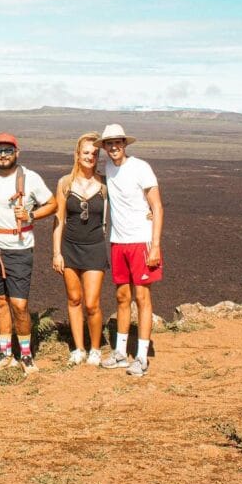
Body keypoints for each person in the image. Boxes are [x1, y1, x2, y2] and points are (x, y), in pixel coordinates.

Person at [0, 133, 57, 374]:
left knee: (19, 304)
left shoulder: (30, 178)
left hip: (19, 248)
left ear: (17, 153)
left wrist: (31, 215)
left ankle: (26, 354)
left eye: (7, 151)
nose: (2, 155)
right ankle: (5, 353)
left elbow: (52, 204)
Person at [96, 124, 164, 377]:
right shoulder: (108, 168)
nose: (114, 147)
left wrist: (155, 245)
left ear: (125, 144)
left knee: (142, 299)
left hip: (141, 241)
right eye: (109, 143)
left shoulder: (141, 167)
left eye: (118, 142)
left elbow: (156, 206)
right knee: (122, 297)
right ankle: (121, 352)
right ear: (104, 147)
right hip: (118, 241)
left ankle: (143, 357)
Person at [52, 132, 109, 366]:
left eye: (94, 153)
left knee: (92, 303)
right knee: (74, 299)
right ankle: (78, 348)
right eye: (86, 152)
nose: (90, 157)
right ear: (77, 154)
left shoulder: (105, 184)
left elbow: (128, 203)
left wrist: (148, 213)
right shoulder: (65, 183)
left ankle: (96, 348)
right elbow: (59, 220)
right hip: (70, 247)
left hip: (95, 248)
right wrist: (56, 253)